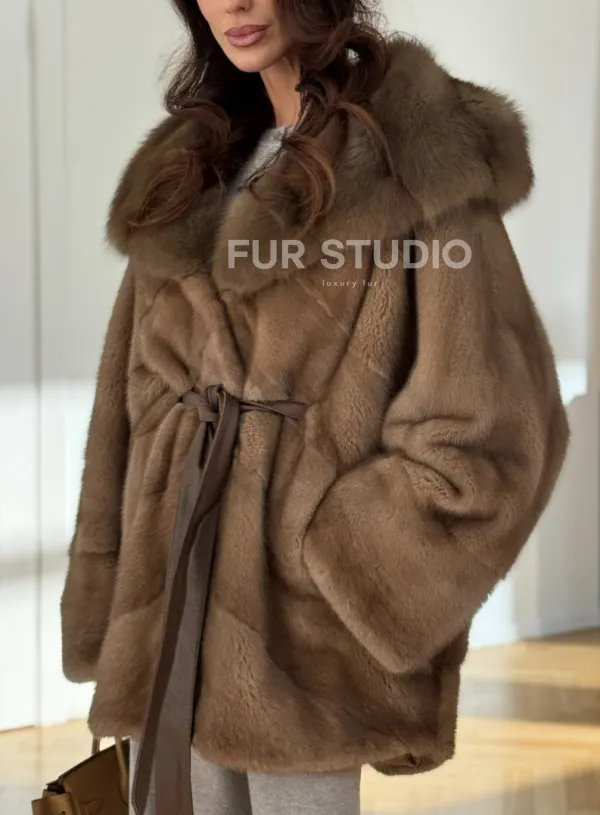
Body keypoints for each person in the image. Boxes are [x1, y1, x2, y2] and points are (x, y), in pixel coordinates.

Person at [59, 0, 570, 813]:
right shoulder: (186, 167)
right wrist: (114, 584)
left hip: (304, 636)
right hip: (171, 597)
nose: (233, 3)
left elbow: (494, 419)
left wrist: (343, 560)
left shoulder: (412, 156)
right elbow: (125, 402)